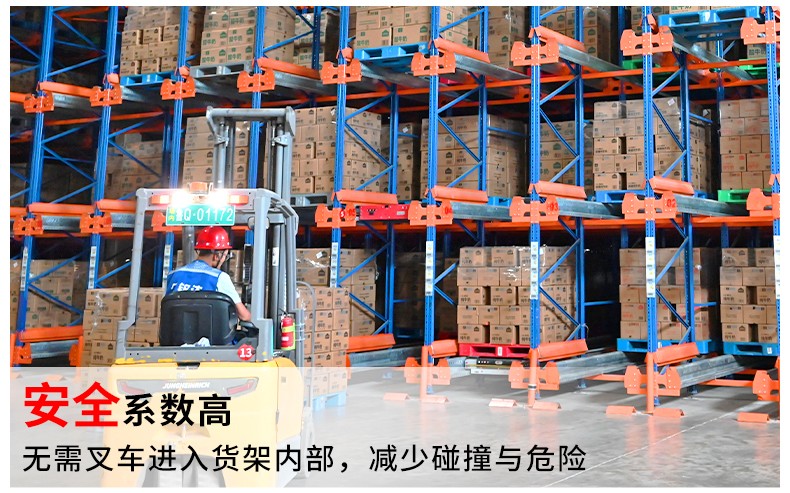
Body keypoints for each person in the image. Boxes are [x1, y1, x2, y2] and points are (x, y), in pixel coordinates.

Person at [165, 225, 252, 322]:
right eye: (225, 256)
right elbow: (244, 316)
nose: (224, 259)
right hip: (207, 332)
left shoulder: (173, 275)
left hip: (174, 331)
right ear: (217, 256)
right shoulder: (219, 278)